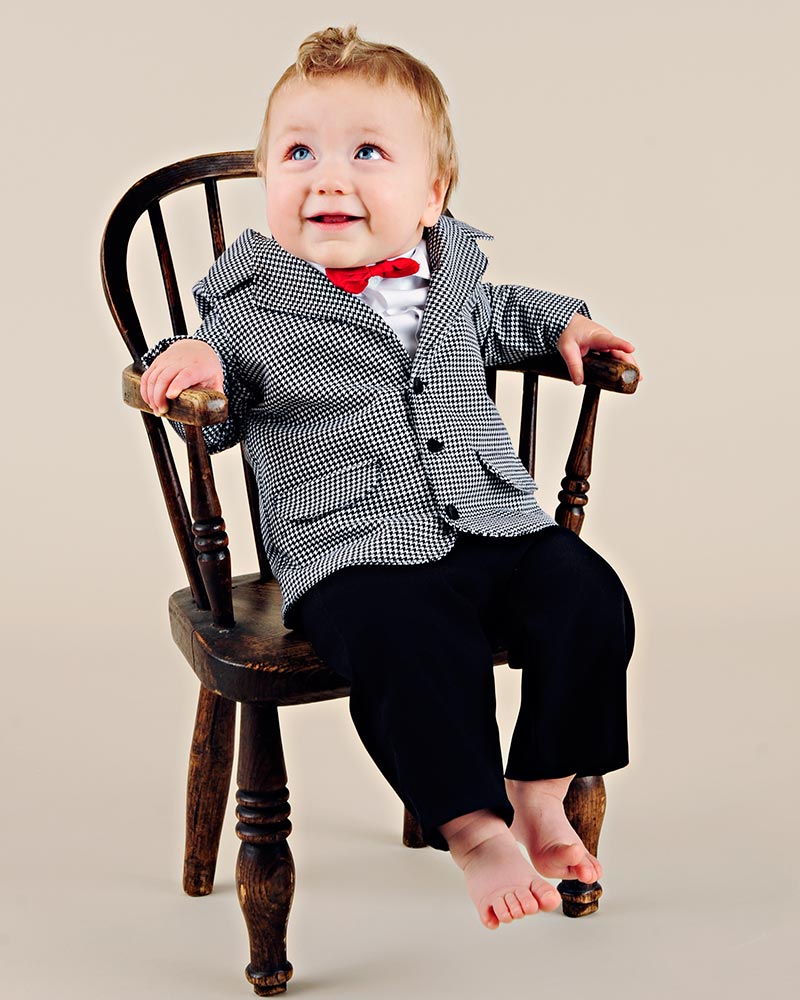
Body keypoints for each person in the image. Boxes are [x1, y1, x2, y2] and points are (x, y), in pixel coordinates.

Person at [140, 25, 638, 931]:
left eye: (367, 152)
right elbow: (216, 406)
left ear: (432, 195)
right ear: (269, 178)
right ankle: (475, 830)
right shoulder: (247, 308)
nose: (329, 179)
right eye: (299, 153)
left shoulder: (451, 279)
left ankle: (538, 788)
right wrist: (189, 360)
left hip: (489, 521)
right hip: (350, 553)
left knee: (590, 598)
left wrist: (565, 325)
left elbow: (505, 315)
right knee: (412, 643)